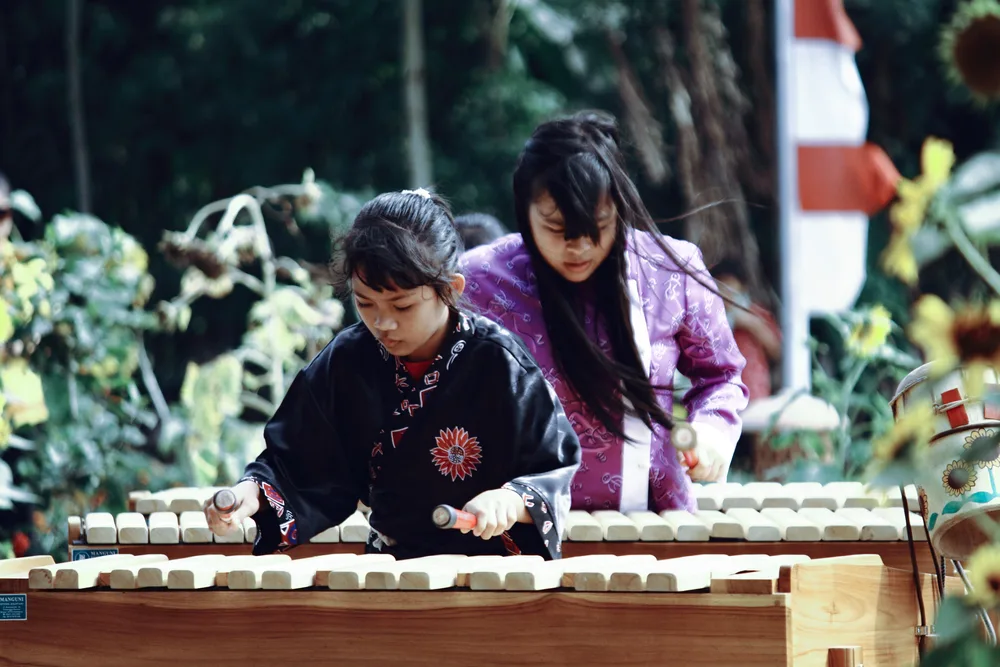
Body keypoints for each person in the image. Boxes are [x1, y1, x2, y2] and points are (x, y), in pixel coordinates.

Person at [205, 188, 581, 560]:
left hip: (497, 572)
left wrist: (510, 500)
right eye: (365, 303)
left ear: (450, 289)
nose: (382, 322)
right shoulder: (348, 360)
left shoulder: (500, 362)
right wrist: (250, 495)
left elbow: (553, 466)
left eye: (401, 305)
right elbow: (297, 463)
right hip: (391, 567)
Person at [459, 112, 749, 515]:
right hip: (512, 525)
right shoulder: (477, 282)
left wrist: (713, 431)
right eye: (558, 228)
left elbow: (721, 374)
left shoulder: (671, 269)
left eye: (598, 224)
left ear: (619, 206)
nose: (579, 247)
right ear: (524, 212)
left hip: (654, 521)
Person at [711, 258, 782, 403]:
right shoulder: (709, 317)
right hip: (721, 396)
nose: (725, 291)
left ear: (742, 287)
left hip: (754, 393)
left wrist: (751, 324)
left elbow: (777, 350)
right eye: (721, 285)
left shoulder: (757, 313)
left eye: (729, 284)